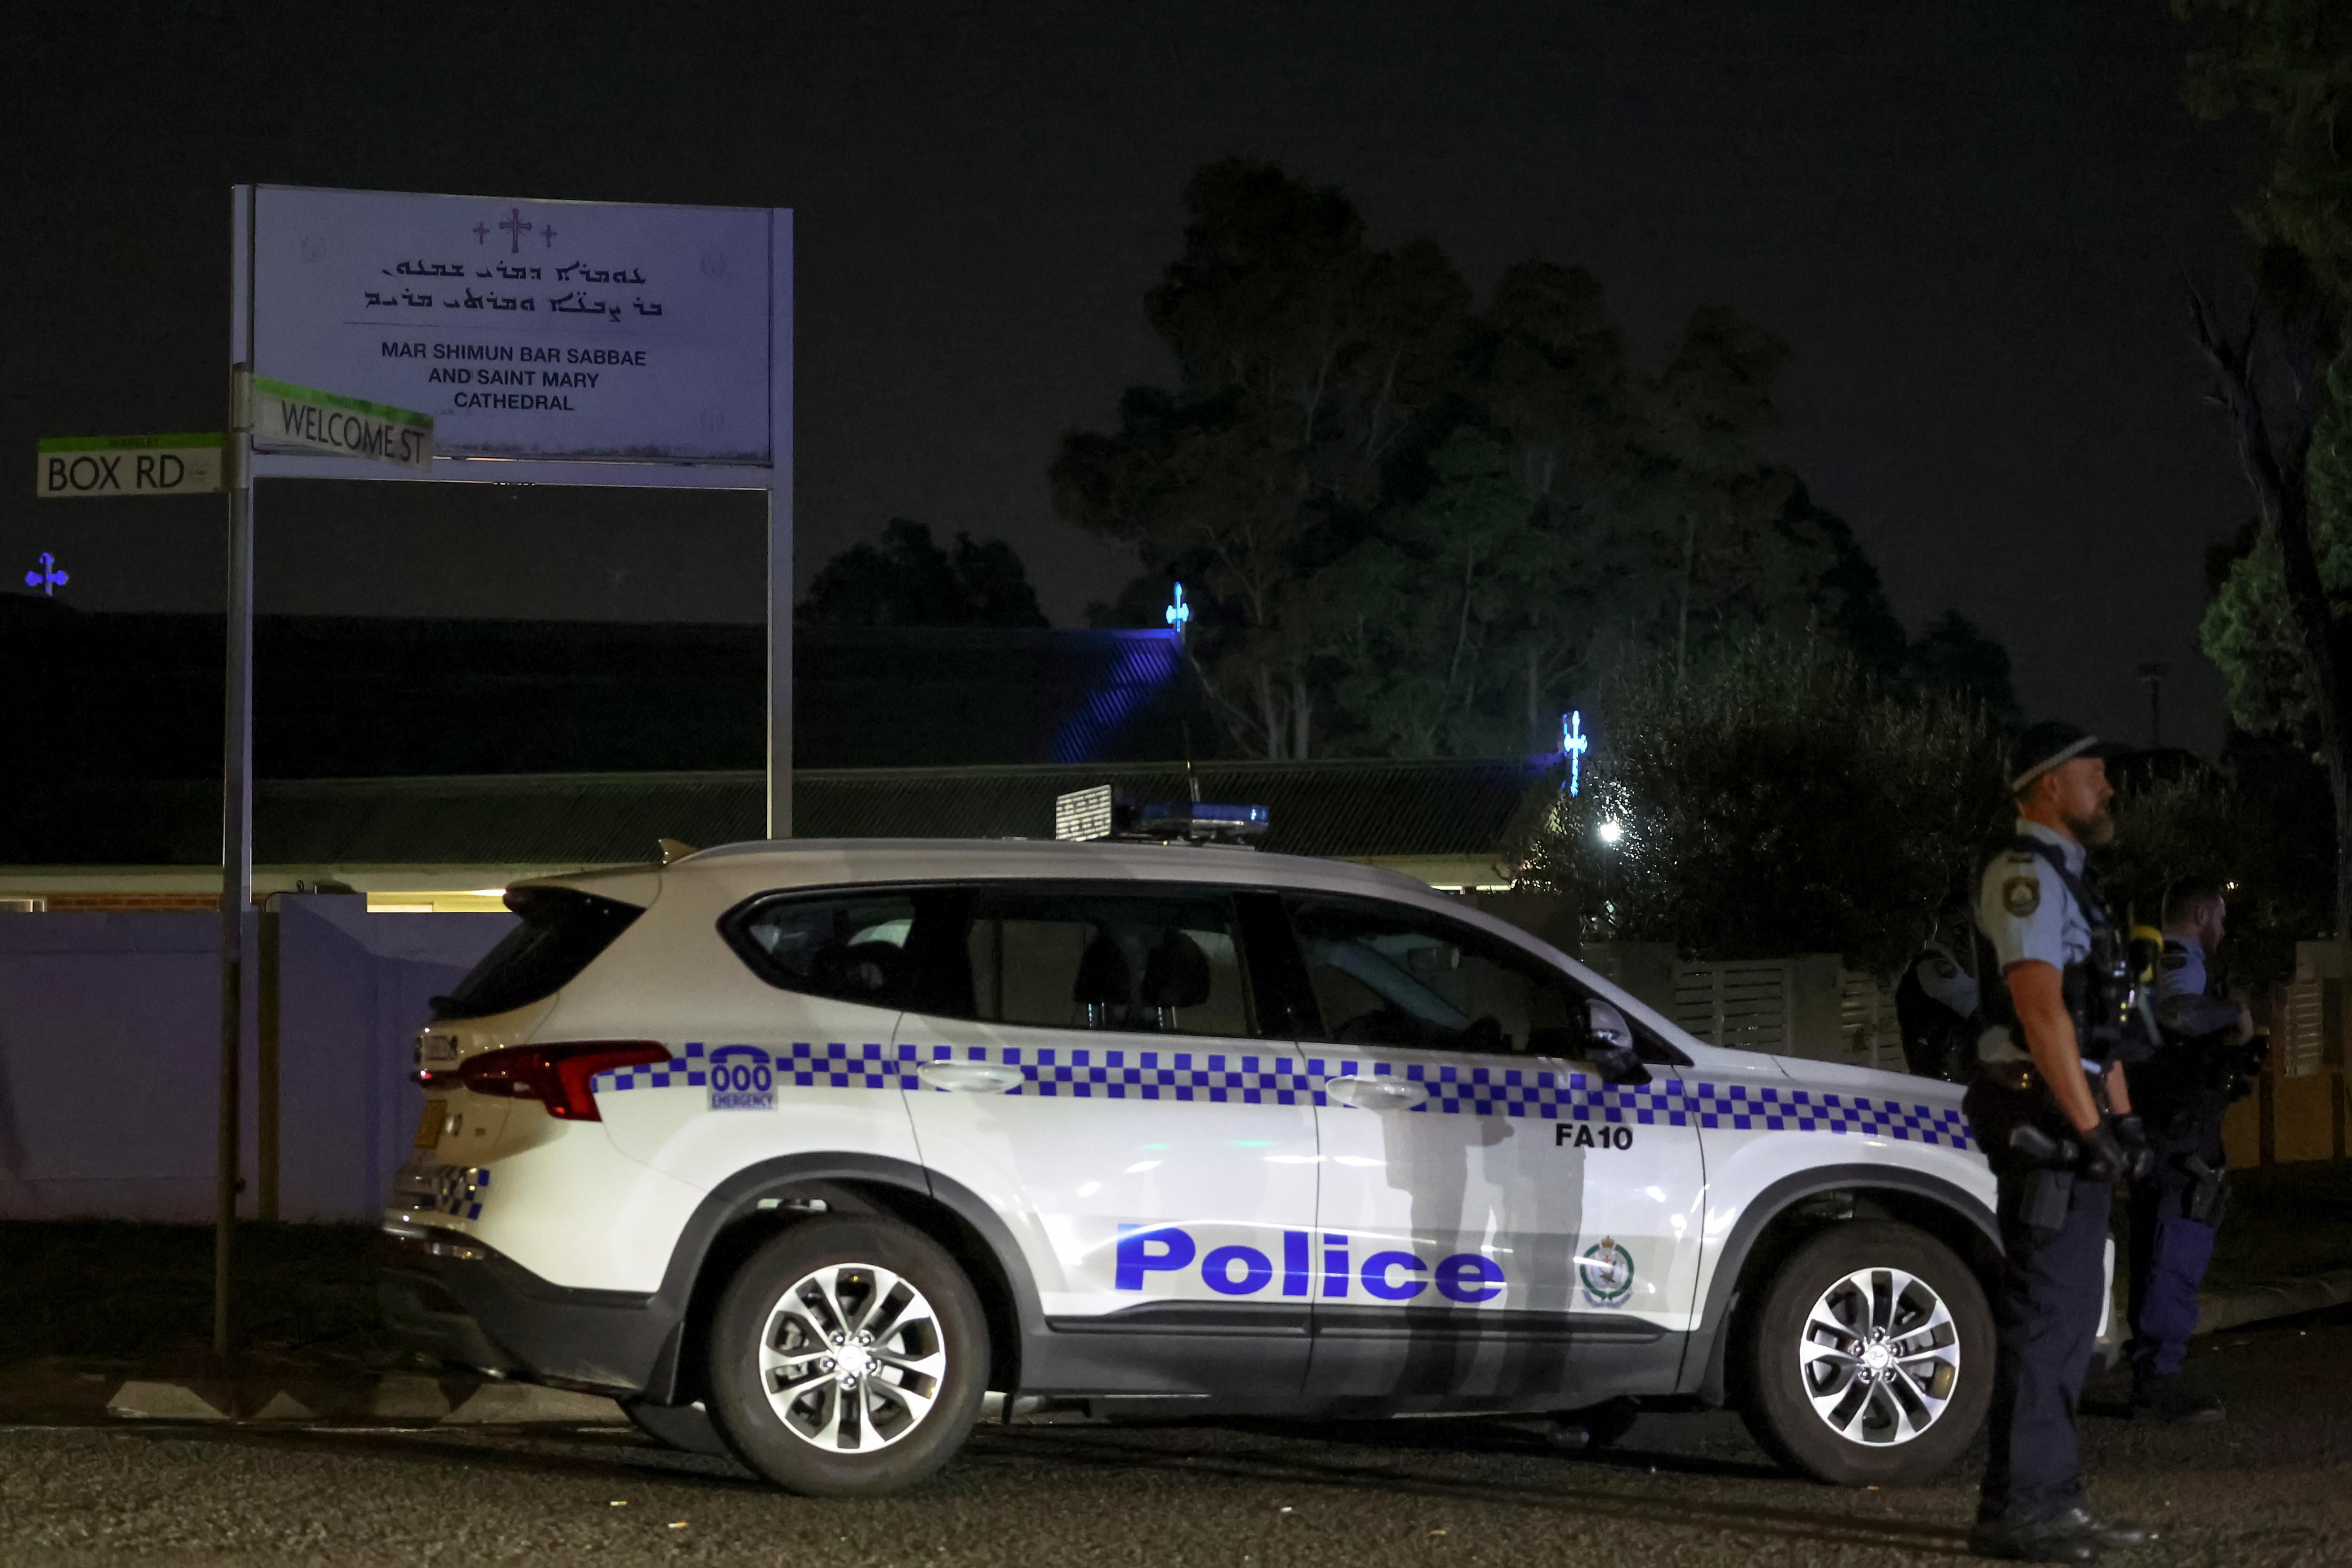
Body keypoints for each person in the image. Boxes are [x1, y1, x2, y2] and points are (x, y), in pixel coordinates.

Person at [1964, 722, 2157, 1563]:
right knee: (2048, 1319)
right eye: (2096, 771)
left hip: (2069, 1117)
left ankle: (2044, 1501)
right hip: (2042, 1121)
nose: (2108, 784)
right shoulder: (2025, 877)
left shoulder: (2073, 881)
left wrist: (2125, 1122)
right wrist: (2089, 1126)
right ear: (2049, 785)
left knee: (2069, 1320)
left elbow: (2091, 1028)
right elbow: (2041, 1013)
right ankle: (2027, 1512)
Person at [2122, 881, 2260, 1424]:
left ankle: (2149, 1377)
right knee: (2175, 1247)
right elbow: (2179, 1016)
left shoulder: (2151, 956)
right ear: (2201, 913)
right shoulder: (2181, 958)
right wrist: (2233, 1014)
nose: (2221, 931)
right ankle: (2157, 1383)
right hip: (2179, 1134)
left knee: (2158, 1246)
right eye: (2219, 919)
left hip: (2158, 1128)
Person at [1897, 907, 1981, 1080]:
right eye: (1962, 926)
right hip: (1941, 1076)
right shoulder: (1935, 966)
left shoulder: (1951, 963)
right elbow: (1975, 1008)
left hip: (1948, 1074)